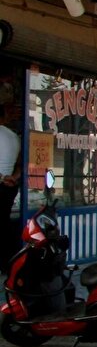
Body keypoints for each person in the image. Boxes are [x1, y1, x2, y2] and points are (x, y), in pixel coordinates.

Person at [1, 114, 21, 267]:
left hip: (3, 183)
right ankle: (6, 263)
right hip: (10, 187)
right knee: (5, 224)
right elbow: (22, 163)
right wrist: (13, 177)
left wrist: (2, 178)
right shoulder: (14, 137)